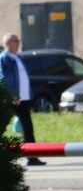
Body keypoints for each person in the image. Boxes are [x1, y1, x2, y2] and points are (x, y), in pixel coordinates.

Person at [0, 33, 46, 166]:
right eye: (16, 41)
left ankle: (32, 157)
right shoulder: (4, 58)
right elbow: (3, 78)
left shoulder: (17, 57)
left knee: (27, 128)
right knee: (2, 127)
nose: (18, 43)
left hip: (23, 99)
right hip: (12, 99)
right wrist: (12, 95)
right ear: (8, 43)